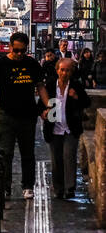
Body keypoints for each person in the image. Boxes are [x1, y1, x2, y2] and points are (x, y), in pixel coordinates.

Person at [0, 31, 44, 201]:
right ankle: (5, 187)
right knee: (5, 153)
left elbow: (40, 86)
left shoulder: (32, 64)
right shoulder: (0, 64)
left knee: (28, 153)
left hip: (28, 115)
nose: (19, 54)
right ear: (10, 47)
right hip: (7, 114)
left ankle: (28, 186)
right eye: (16, 50)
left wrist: (48, 107)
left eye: (23, 51)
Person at [42, 57, 88, 199]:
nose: (64, 73)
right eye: (62, 70)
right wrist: (43, 112)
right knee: (56, 160)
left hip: (70, 128)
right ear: (57, 70)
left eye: (68, 70)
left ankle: (70, 188)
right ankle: (58, 189)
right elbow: (41, 104)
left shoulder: (76, 85)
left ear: (72, 72)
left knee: (69, 157)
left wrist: (76, 97)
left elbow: (87, 102)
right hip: (54, 127)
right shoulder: (50, 85)